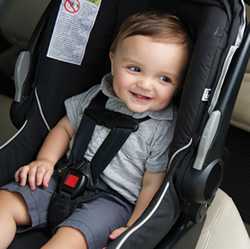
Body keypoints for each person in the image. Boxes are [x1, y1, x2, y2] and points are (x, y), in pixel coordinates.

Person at [0, 11, 191, 249]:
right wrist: (45, 161)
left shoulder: (163, 128)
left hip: (112, 203)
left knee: (71, 240)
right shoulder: (96, 96)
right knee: (4, 203)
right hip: (62, 179)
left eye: (164, 78)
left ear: (179, 84)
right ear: (113, 60)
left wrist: (133, 227)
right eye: (134, 69)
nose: (145, 84)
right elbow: (65, 128)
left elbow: (152, 184)